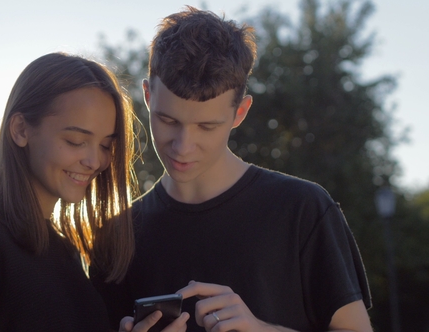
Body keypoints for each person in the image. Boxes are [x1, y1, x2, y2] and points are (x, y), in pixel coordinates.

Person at [92, 6, 373, 332]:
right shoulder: (115, 237)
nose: (183, 146)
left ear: (240, 112)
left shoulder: (302, 209)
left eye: (207, 126)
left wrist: (261, 329)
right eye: (168, 121)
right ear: (147, 96)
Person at [0, 52, 181, 331]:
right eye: (76, 141)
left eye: (105, 145)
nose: (95, 162)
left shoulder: (65, 251)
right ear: (20, 129)